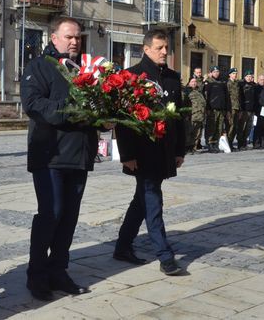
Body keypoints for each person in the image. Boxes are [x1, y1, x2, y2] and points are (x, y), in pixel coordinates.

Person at [21, 16, 108, 301]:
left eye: (78, 37)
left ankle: (58, 270)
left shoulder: (85, 70)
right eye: (69, 36)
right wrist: (73, 108)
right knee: (51, 214)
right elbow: (34, 105)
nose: (74, 41)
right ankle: (37, 275)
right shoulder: (38, 67)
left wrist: (103, 118)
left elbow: (95, 106)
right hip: (51, 155)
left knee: (69, 217)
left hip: (79, 154)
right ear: (53, 37)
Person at [114, 30, 186, 275]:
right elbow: (124, 120)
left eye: (166, 47)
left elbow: (180, 118)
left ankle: (123, 246)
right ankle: (165, 256)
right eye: (159, 47)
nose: (165, 51)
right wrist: (127, 154)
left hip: (164, 150)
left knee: (141, 201)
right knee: (153, 200)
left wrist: (180, 150)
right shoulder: (132, 76)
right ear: (146, 49)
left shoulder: (173, 78)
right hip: (141, 151)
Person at [203, 66, 228, 153]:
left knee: (219, 127)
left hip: (221, 108)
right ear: (211, 73)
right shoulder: (208, 82)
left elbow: (226, 96)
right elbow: (206, 96)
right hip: (212, 109)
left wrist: (226, 108)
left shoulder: (222, 82)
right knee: (211, 126)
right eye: (214, 72)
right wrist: (207, 108)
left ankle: (216, 143)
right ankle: (209, 143)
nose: (216, 73)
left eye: (217, 71)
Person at [184, 78, 206, 154]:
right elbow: (185, 104)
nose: (194, 83)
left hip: (200, 116)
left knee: (197, 133)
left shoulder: (199, 92)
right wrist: (186, 114)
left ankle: (194, 147)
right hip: (191, 116)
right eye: (192, 82)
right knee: (189, 133)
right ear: (189, 83)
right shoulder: (186, 91)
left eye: (195, 82)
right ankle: (187, 148)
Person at [238, 71, 256, 150]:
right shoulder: (241, 84)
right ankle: (240, 143)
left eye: (250, 76)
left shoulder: (253, 85)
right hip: (244, 109)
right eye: (247, 76)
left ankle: (244, 142)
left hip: (251, 109)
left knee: (249, 127)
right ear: (244, 77)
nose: (249, 78)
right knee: (241, 127)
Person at [226, 68, 242, 151]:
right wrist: (228, 109)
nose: (235, 75)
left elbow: (238, 97)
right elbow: (227, 97)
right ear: (229, 74)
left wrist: (240, 109)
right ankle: (228, 143)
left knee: (235, 126)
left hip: (237, 107)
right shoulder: (228, 83)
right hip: (231, 107)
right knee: (230, 126)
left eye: (236, 73)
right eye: (233, 73)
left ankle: (231, 142)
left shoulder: (236, 84)